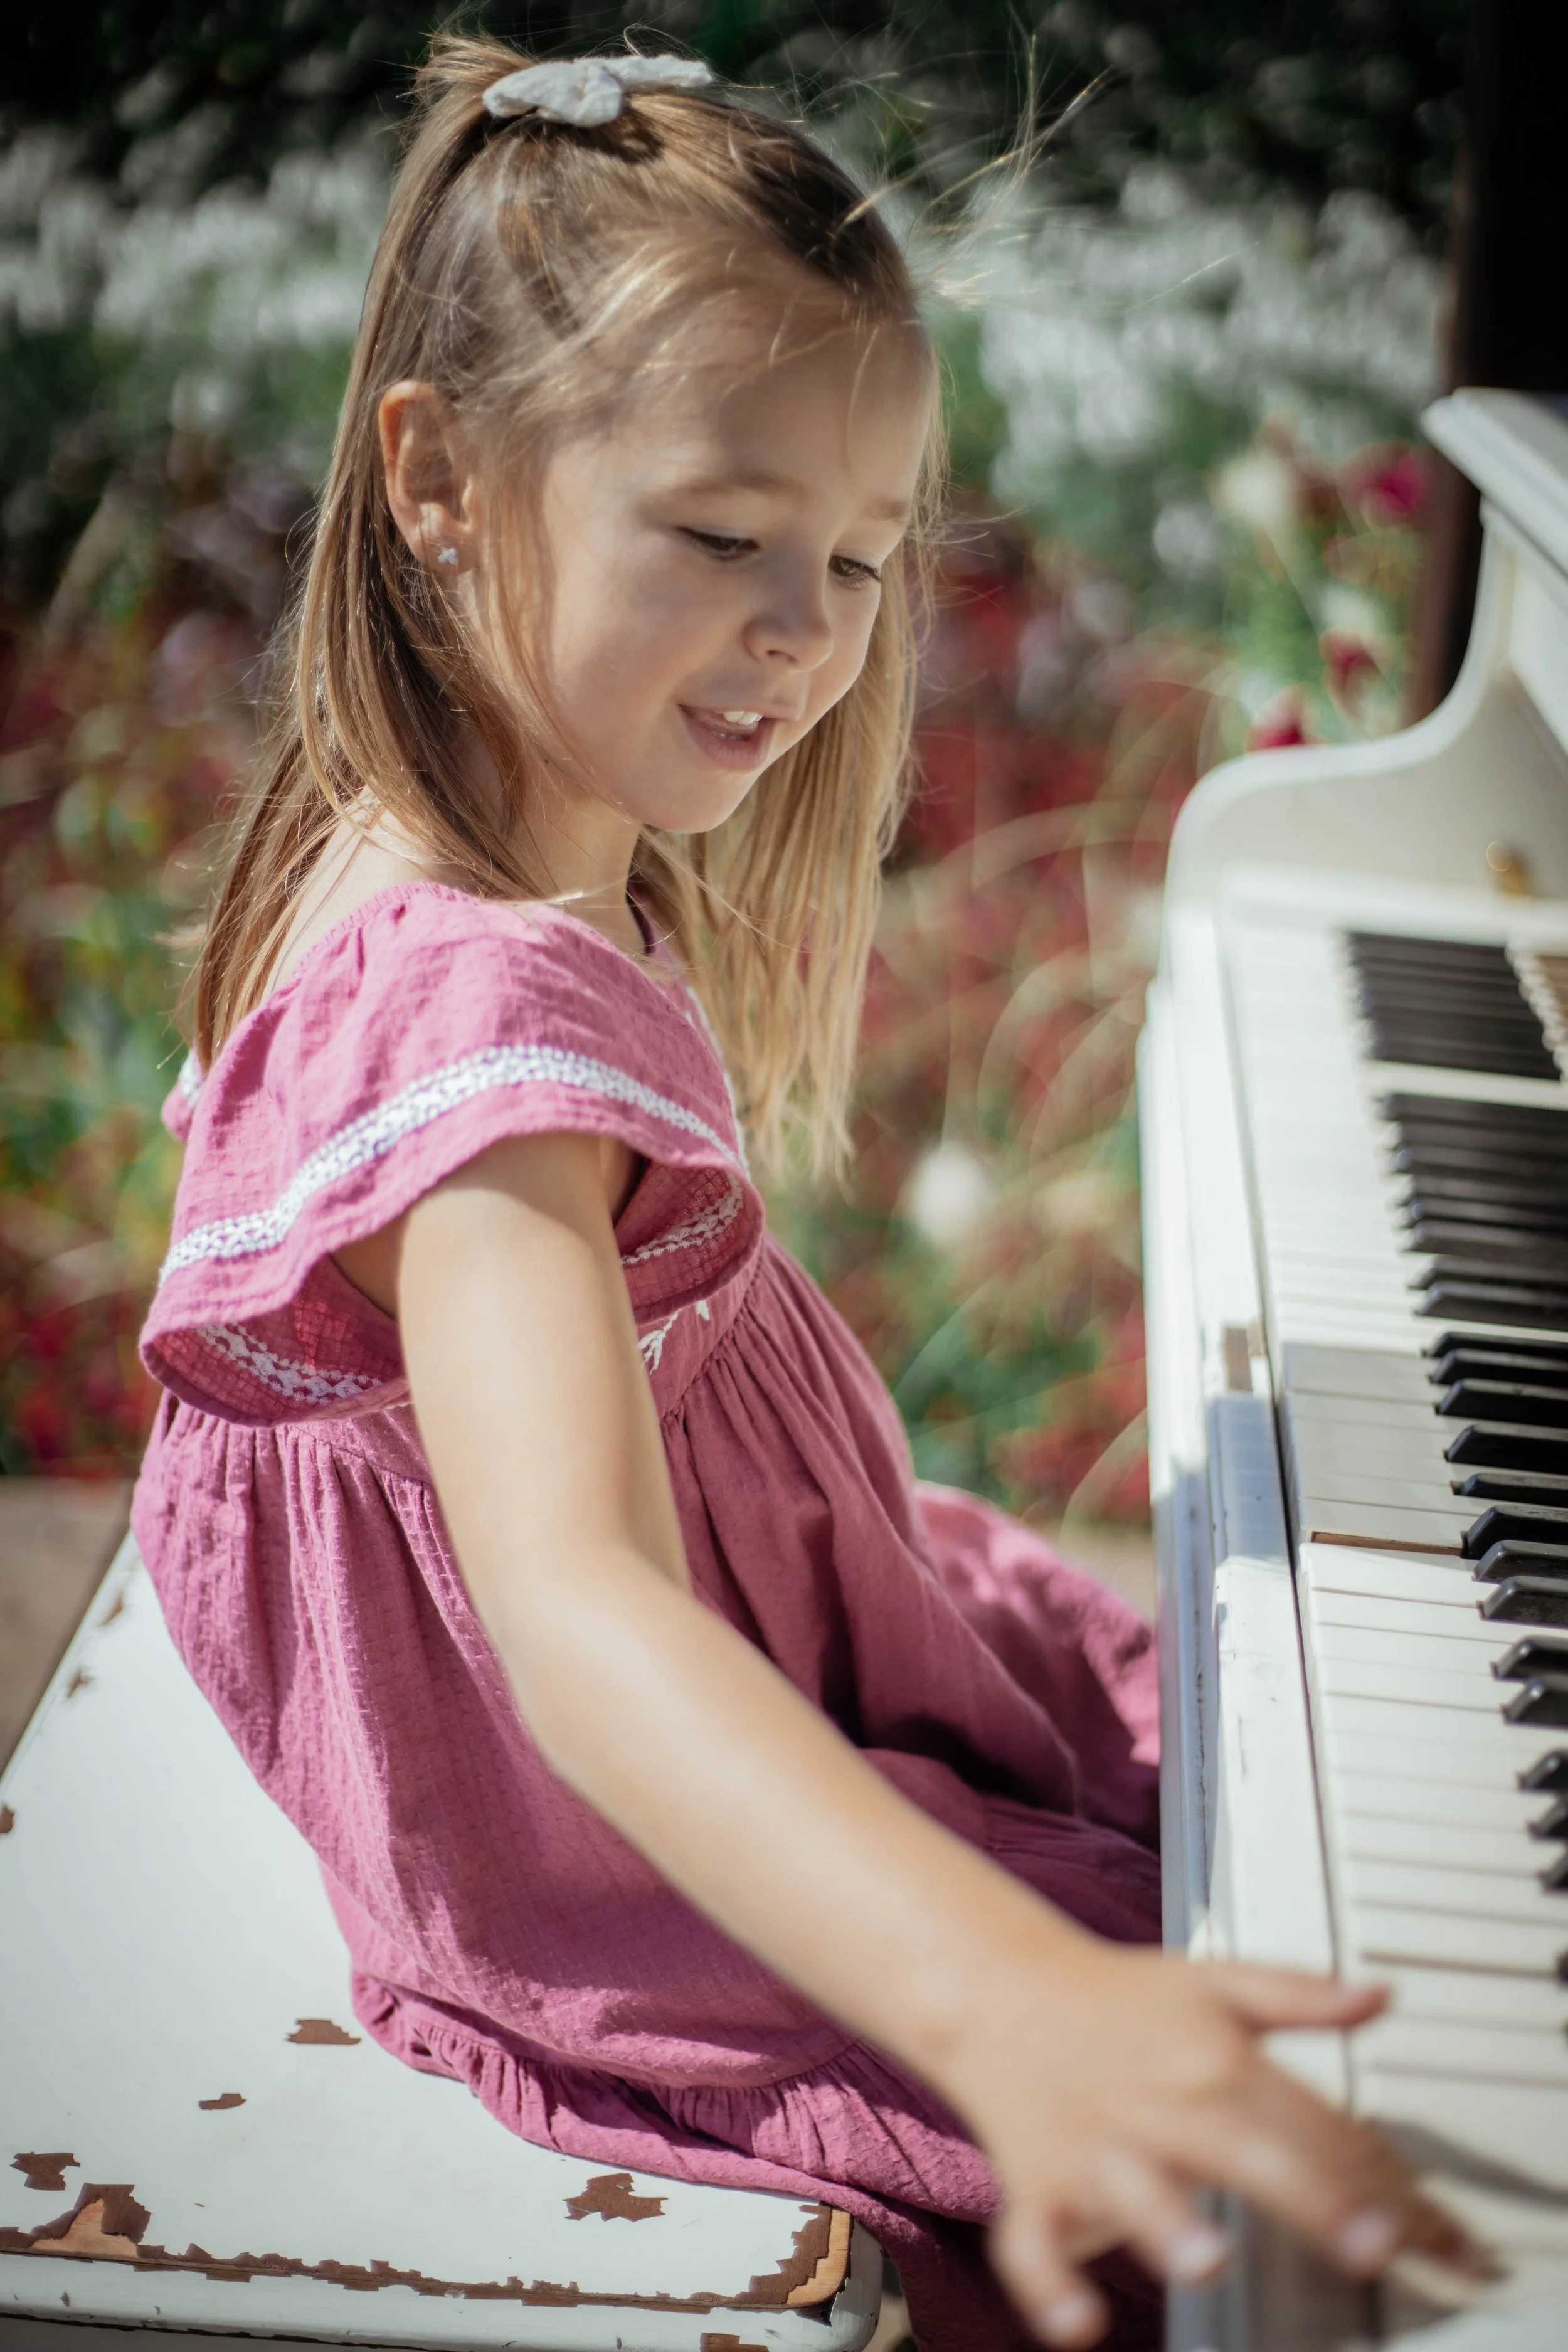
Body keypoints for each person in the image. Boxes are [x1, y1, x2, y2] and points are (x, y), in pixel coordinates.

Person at [132, 37, 1478, 2352]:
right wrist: (999, 2008)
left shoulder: (467, 826)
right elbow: (578, 1615)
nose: (806, 625)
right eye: (725, 533)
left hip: (724, 1643)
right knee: (1255, 2156)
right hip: (587, 1831)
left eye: (857, 557)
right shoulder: (462, 1018)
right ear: (439, 477)